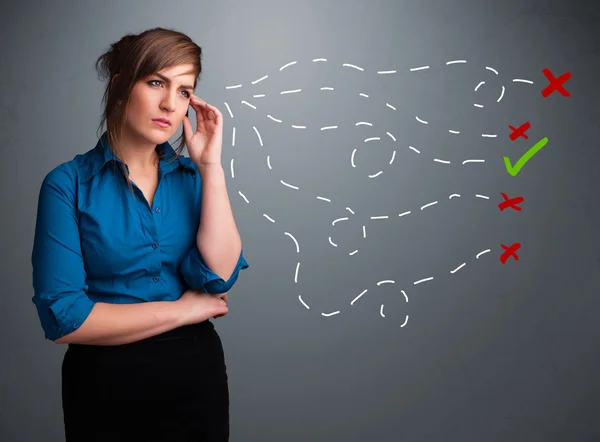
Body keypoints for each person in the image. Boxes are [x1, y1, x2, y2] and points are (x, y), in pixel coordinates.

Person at [30, 27, 249, 441]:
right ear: (120, 86)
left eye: (185, 91)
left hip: (195, 380)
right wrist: (185, 311)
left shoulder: (192, 177)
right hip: (104, 386)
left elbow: (219, 276)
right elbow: (65, 317)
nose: (170, 103)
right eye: (156, 83)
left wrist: (211, 168)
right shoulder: (67, 184)